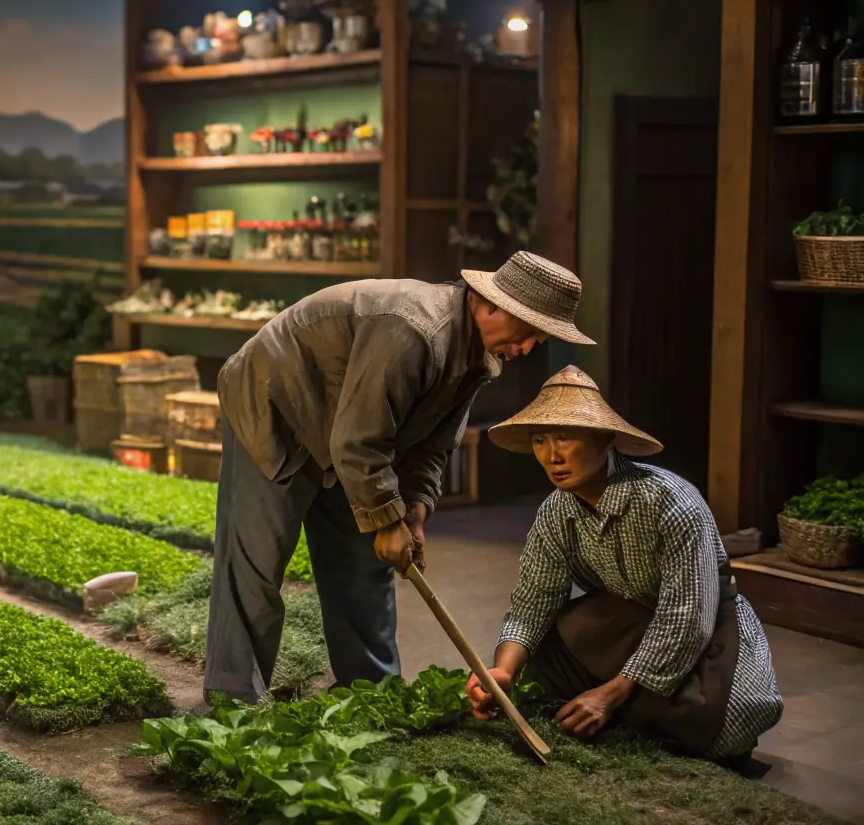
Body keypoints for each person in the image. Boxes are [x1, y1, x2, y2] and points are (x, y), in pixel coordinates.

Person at [207, 251, 594, 705]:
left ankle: (371, 693)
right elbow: (357, 441)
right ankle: (233, 700)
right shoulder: (413, 330)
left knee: (366, 565)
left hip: (345, 431)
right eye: (528, 333)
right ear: (493, 305)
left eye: (539, 340)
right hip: (276, 404)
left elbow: (432, 445)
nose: (528, 349)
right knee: (258, 559)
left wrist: (413, 513)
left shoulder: (480, 358)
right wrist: (385, 521)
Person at [466, 366, 783, 766]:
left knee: (729, 722)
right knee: (535, 665)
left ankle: (627, 703)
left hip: (705, 631)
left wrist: (609, 694)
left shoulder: (670, 501)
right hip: (625, 627)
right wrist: (503, 672)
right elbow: (533, 602)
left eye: (564, 436)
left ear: (605, 439)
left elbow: (687, 617)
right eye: (540, 440)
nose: (552, 455)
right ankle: (632, 705)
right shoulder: (556, 513)